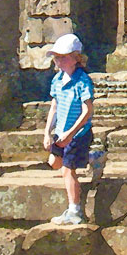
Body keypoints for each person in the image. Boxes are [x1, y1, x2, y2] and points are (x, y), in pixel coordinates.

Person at [43, 33, 97, 225]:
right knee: (54, 163)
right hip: (61, 131)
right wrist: (47, 132)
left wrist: (71, 133)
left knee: (67, 170)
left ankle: (74, 211)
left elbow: (87, 110)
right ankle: (93, 157)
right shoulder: (57, 80)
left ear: (76, 58)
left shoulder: (82, 81)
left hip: (77, 133)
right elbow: (55, 105)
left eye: (63, 57)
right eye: (56, 57)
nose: (59, 61)